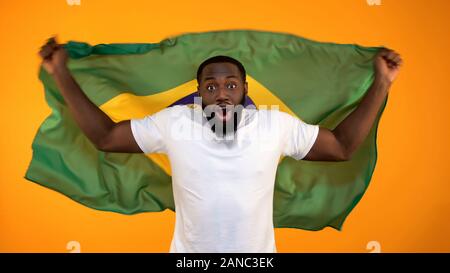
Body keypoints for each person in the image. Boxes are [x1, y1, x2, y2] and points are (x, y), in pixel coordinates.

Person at [39, 37, 402, 253]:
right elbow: (106, 137)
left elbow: (341, 147)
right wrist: (61, 73)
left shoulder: (274, 124)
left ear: (245, 91)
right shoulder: (176, 122)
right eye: (211, 87)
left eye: (231, 85)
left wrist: (382, 83)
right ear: (199, 95)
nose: (222, 93)